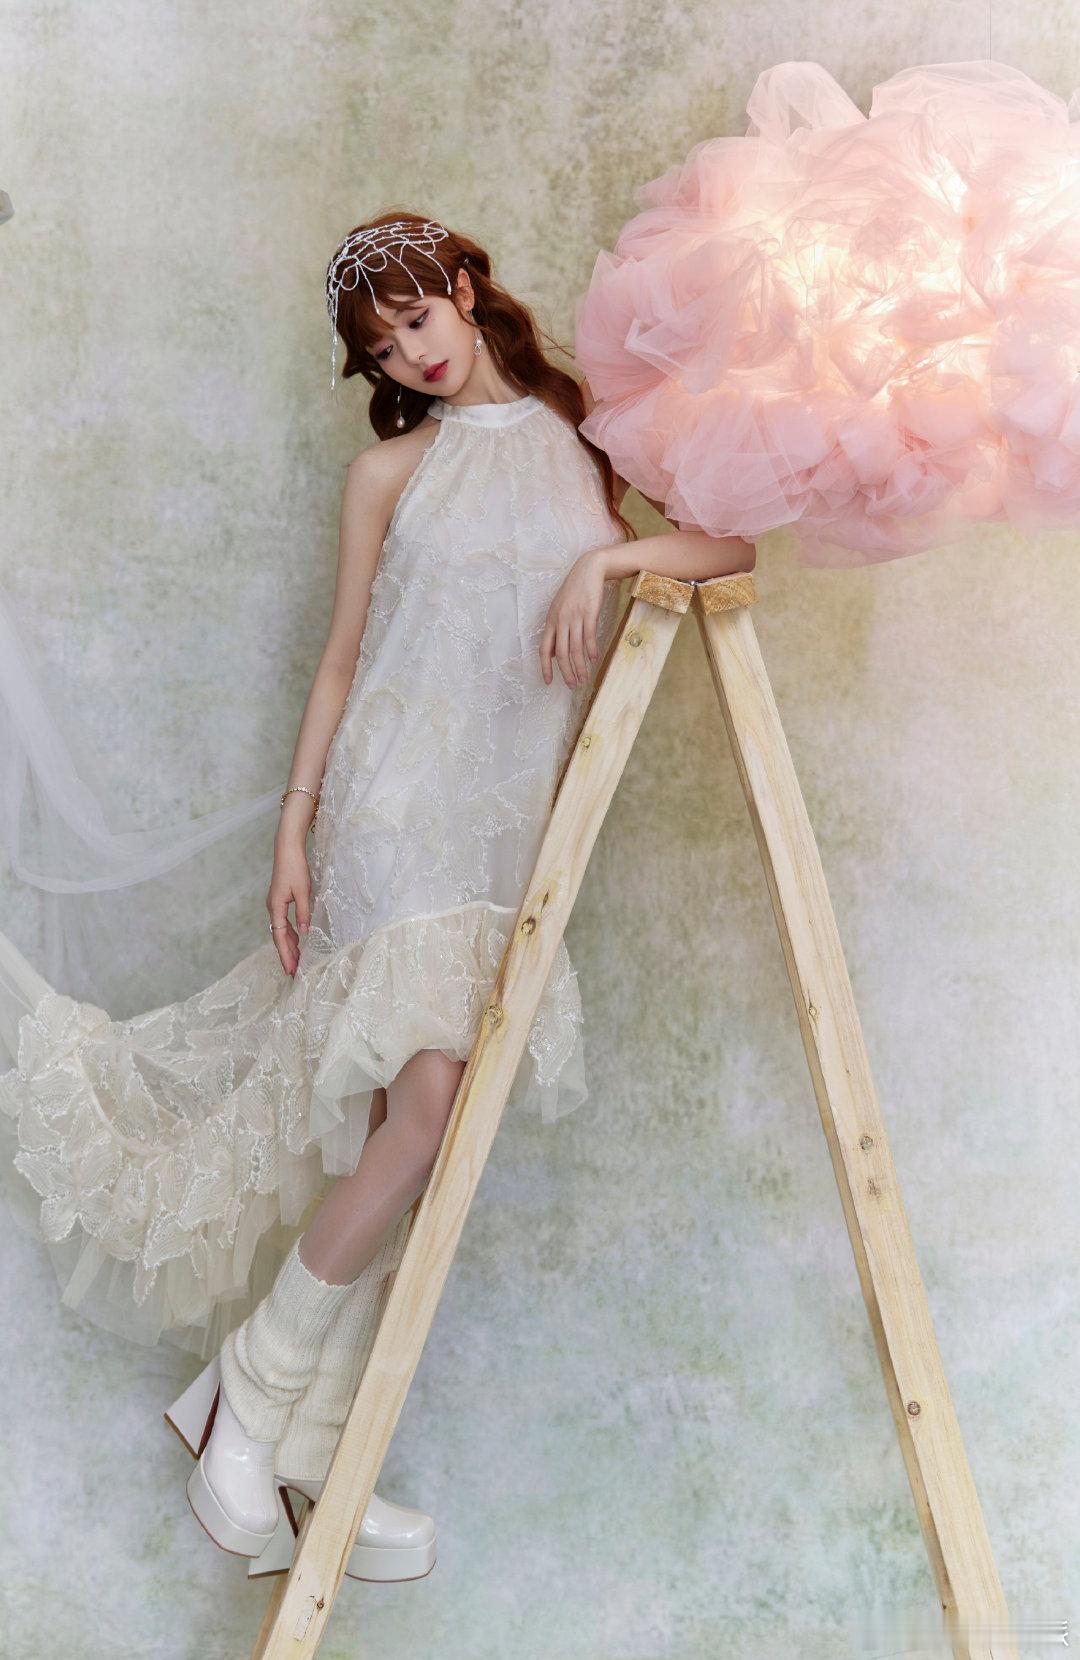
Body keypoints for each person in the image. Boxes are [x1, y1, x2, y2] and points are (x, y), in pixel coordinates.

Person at [0, 208, 755, 1573]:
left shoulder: (586, 434)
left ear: (464, 289)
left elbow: (733, 547)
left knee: (421, 1141)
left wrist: (608, 557)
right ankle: (250, 1401)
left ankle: (304, 1443)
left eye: (415, 320)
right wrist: (296, 833)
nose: (410, 355)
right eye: (383, 347)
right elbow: (344, 659)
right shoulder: (386, 475)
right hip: (394, 823)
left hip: (503, 837)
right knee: (425, 1114)